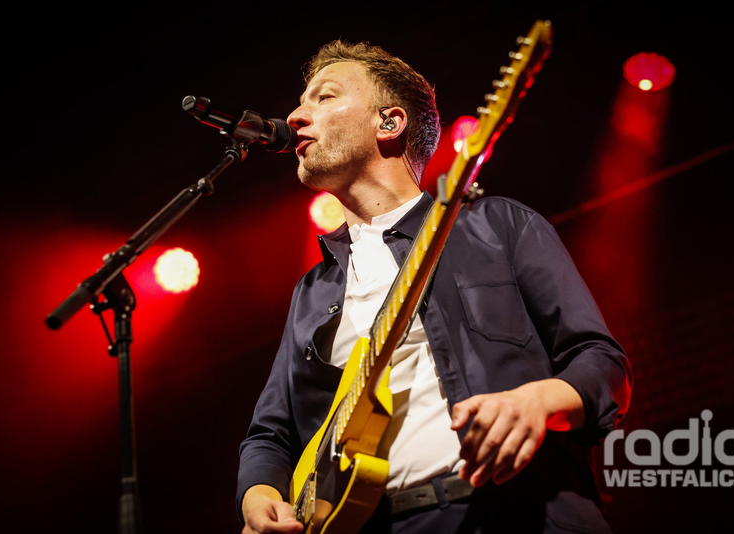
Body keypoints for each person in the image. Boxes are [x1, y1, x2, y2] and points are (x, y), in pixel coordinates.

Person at [237, 40, 632, 534]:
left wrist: (539, 401)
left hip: (517, 513)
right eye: (302, 102)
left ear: (389, 122)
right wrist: (258, 496)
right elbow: (270, 434)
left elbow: (602, 361)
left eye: (324, 96)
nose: (295, 116)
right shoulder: (313, 291)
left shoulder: (498, 226)